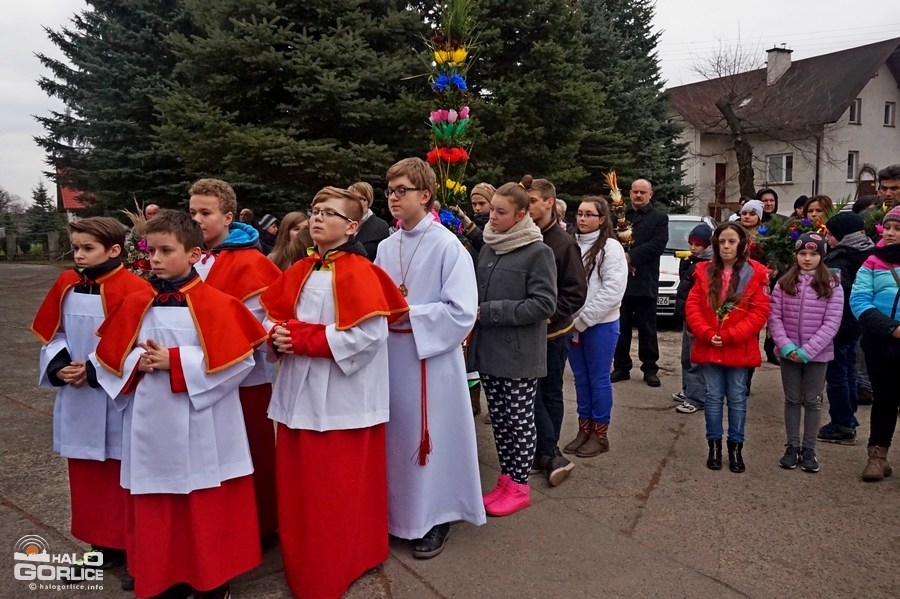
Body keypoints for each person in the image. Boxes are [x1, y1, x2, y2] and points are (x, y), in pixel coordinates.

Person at [87, 209, 266, 598]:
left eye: (166, 251)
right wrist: (137, 362)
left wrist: (177, 362)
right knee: (156, 500)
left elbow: (240, 363)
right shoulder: (135, 303)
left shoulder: (219, 304)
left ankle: (212, 581)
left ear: (194, 254)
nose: (155, 259)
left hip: (204, 422)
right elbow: (107, 360)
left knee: (205, 500)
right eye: (151, 251)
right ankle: (161, 574)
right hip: (150, 421)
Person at [260, 187, 408, 598]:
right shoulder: (301, 269)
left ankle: (341, 561)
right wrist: (276, 336)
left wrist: (301, 338)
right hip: (298, 393)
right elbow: (271, 318)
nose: (318, 218)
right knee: (301, 489)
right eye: (315, 210)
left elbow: (368, 337)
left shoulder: (363, 272)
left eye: (329, 213)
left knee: (337, 489)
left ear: (352, 226)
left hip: (344, 398)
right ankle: (306, 560)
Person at [374, 157, 485, 558]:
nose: (393, 198)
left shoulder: (447, 245)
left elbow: (462, 311)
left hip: (431, 359)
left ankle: (436, 516)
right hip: (391, 355)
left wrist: (410, 315)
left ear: (425, 195)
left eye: (402, 190)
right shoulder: (386, 246)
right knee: (396, 436)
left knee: (430, 437)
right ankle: (398, 514)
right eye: (390, 191)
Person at [31, 217, 149, 577]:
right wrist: (59, 365)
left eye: (88, 248)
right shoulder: (66, 284)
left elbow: (140, 342)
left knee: (123, 475)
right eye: (76, 247)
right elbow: (55, 333)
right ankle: (100, 548)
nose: (79, 255)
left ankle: (135, 551)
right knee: (87, 478)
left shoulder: (135, 288)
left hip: (116, 396)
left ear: (114, 250)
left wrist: (97, 369)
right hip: (79, 398)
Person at [189, 178, 283, 541]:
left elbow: (262, 322)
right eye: (192, 212)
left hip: (246, 379)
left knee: (251, 452)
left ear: (228, 217)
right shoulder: (188, 257)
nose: (197, 219)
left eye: (206, 213)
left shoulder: (251, 263)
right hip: (195, 373)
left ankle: (260, 526)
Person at [468, 182, 556, 516]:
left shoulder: (538, 251)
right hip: (489, 352)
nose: (492, 216)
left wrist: (490, 312)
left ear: (520, 215)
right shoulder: (491, 246)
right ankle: (506, 479)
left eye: (500, 212)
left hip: (519, 356)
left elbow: (544, 304)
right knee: (501, 421)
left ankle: (519, 486)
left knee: (519, 421)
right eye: (492, 209)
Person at [685, 222, 770, 473]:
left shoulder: (755, 273)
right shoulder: (704, 271)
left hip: (738, 347)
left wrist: (731, 335)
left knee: (737, 397)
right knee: (712, 397)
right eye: (722, 242)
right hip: (710, 344)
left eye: (731, 242)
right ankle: (714, 445)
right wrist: (706, 332)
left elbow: (759, 312)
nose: (726, 247)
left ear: (742, 244)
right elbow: (693, 306)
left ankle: (736, 447)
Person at [522, 176, 587, 485]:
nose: (528, 206)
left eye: (533, 201)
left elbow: (576, 292)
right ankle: (544, 451)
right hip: (527, 331)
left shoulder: (563, 243)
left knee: (548, 392)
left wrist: (546, 316)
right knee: (531, 392)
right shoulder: (525, 235)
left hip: (552, 333)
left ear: (549, 202)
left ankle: (548, 450)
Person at [769, 233, 843, 473]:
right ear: (796, 255)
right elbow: (775, 317)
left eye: (813, 254)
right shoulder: (784, 283)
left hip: (817, 354)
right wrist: (787, 346)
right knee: (792, 399)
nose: (807, 258)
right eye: (802, 253)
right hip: (788, 352)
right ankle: (792, 445)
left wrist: (808, 351)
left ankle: (809, 449)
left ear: (822, 256)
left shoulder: (832, 284)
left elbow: (832, 322)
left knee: (812, 401)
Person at [565, 197, 628, 456]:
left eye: (588, 214)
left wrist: (583, 320)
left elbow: (612, 290)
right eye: (579, 213)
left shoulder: (610, 248)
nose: (582, 218)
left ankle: (600, 434)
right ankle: (584, 428)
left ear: (601, 219)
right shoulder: (570, 243)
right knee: (580, 378)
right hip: (571, 324)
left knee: (598, 378)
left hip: (600, 324)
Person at [850, 206, 900, 481]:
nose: (890, 233)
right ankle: (877, 456)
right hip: (880, 343)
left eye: (897, 229)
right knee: (884, 400)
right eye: (887, 228)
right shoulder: (871, 261)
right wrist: (892, 328)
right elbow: (859, 300)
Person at [818, 212, 874, 445]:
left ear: (843, 236)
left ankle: (842, 423)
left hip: (840, 325)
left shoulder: (840, 260)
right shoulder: (868, 252)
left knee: (837, 374)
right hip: (858, 324)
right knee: (849, 370)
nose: (827, 239)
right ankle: (848, 416)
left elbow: (833, 294)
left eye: (831, 234)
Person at [611, 178, 668, 386]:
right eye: (635, 191)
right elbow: (611, 241)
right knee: (621, 326)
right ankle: (621, 367)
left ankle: (650, 368)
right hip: (621, 281)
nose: (638, 195)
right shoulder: (619, 215)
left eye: (643, 192)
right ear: (629, 193)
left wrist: (631, 257)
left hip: (645, 280)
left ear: (650, 194)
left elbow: (657, 245)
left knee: (647, 328)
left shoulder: (659, 218)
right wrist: (621, 258)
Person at [672, 224, 713, 414]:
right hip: (687, 316)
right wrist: (685, 265)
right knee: (686, 357)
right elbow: (685, 284)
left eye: (697, 245)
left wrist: (695, 320)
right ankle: (688, 389)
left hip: (697, 319)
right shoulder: (693, 261)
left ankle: (697, 398)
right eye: (691, 244)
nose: (693, 248)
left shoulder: (708, 265)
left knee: (696, 359)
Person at [349, 181, 390, 262]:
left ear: (369, 201)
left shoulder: (380, 226)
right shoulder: (340, 222)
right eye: (352, 198)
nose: (356, 202)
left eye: (361, 198)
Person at [453, 182, 494, 253]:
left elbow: (485, 245)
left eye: (481, 203)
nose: (477, 208)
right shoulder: (474, 220)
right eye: (474, 204)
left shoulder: (497, 224)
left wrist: (466, 221)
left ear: (491, 203)